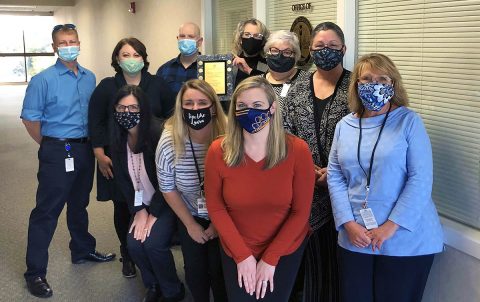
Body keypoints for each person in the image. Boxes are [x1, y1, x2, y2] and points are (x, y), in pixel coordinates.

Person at [327, 53, 444, 302]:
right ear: (357, 84)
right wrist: (348, 223)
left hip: (405, 239)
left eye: (382, 79)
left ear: (393, 84)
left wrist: (390, 227)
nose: (375, 84)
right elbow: (335, 175)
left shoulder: (409, 122)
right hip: (355, 236)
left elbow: (420, 179)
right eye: (367, 78)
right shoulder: (344, 126)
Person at [20, 24, 115, 298]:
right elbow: (30, 120)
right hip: (57, 151)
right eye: (63, 42)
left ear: (79, 43)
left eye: (73, 40)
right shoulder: (43, 80)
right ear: (54, 47)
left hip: (85, 150)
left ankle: (82, 249)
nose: (69, 45)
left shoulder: (89, 77)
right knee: (47, 211)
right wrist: (51, 145)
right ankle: (35, 272)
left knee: (79, 204)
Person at [205, 76, 315, 302]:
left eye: (257, 106)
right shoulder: (218, 151)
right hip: (237, 246)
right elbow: (216, 208)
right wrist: (243, 256)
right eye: (242, 106)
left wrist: (271, 258)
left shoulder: (297, 150)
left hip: (284, 247)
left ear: (272, 108)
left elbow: (301, 212)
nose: (249, 112)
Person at [88, 37, 176, 278]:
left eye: (136, 55)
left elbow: (172, 114)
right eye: (125, 55)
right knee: (123, 204)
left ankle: (153, 241)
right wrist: (99, 153)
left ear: (144, 58)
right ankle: (127, 254)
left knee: (157, 200)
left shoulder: (157, 84)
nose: (131, 60)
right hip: (116, 157)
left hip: (153, 157)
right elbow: (95, 120)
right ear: (117, 59)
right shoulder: (107, 86)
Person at [282, 21, 350, 302]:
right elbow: (285, 134)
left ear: (343, 49)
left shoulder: (357, 86)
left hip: (347, 190)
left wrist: (332, 173)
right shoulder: (296, 88)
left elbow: (366, 135)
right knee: (311, 267)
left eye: (333, 46)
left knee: (341, 266)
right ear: (310, 49)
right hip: (305, 191)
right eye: (319, 46)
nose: (326, 51)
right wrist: (308, 170)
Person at [109, 85, 185, 302]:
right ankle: (152, 285)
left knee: (153, 243)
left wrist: (153, 214)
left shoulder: (158, 133)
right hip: (142, 202)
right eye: (121, 108)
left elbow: (169, 181)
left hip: (168, 201)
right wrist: (139, 211)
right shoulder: (117, 137)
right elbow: (123, 181)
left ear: (143, 108)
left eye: (133, 107)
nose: (127, 113)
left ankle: (172, 290)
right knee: (133, 244)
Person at [156, 79, 228, 302]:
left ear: (213, 107)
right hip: (190, 213)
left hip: (225, 215)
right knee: (195, 273)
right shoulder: (169, 141)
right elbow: (167, 188)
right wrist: (190, 225)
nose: (195, 108)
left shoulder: (228, 137)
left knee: (220, 272)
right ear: (180, 107)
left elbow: (237, 185)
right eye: (188, 103)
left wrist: (217, 223)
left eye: (202, 102)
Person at [262, 30, 309, 109]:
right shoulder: (257, 82)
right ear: (267, 53)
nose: (280, 56)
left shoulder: (308, 80)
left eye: (287, 52)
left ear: (296, 55)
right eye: (275, 51)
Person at [156, 22, 203, 99]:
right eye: (182, 36)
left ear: (200, 41)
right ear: (177, 39)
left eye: (191, 36)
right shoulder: (164, 70)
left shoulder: (208, 68)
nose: (185, 40)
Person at [232, 18, 270, 87]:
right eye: (247, 34)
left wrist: (249, 70)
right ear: (240, 39)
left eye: (257, 36)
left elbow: (269, 86)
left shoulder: (268, 65)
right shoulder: (233, 63)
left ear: (263, 41)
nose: (251, 39)